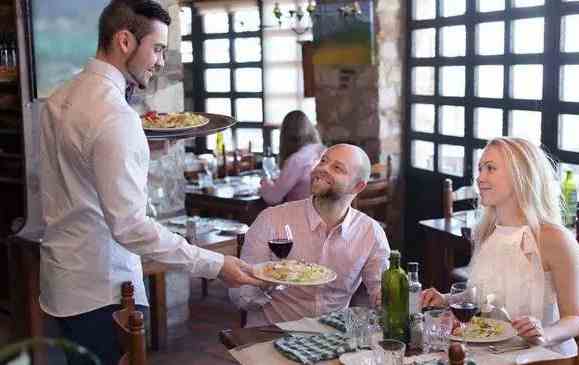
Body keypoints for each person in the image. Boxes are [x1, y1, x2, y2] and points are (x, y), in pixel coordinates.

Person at [39, 1, 261, 363]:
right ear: (124, 41)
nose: (160, 61)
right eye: (157, 48)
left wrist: (147, 150)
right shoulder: (116, 116)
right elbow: (129, 226)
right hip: (103, 289)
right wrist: (216, 264)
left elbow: (75, 170)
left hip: (61, 281)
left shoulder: (61, 97)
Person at [421, 137, 579, 356]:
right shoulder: (486, 231)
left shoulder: (555, 238)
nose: (480, 177)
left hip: (542, 358)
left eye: (490, 168)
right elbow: (486, 294)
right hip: (492, 352)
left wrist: (544, 332)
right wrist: (447, 299)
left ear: (520, 175)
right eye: (480, 169)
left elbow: (575, 318)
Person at [230, 144, 390, 327]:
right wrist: (267, 281)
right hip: (270, 335)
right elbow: (240, 297)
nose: (322, 169)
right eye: (323, 161)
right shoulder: (272, 219)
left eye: (337, 168)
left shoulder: (370, 232)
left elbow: (382, 293)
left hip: (331, 338)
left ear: (358, 186)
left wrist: (391, 299)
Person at [260, 110, 325, 205]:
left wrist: (264, 182)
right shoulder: (322, 150)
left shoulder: (297, 160)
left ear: (285, 134)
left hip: (300, 213)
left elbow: (273, 198)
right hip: (323, 211)